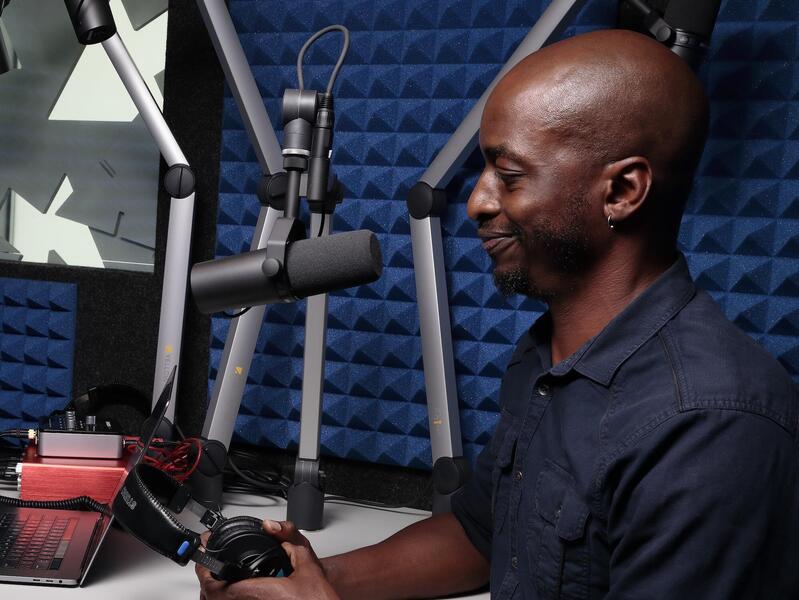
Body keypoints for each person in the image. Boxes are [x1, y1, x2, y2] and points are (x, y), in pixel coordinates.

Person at [196, 28, 799, 600]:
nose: (478, 203)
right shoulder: (549, 355)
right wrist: (309, 577)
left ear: (621, 192)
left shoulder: (709, 427)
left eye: (508, 176)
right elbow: (483, 535)